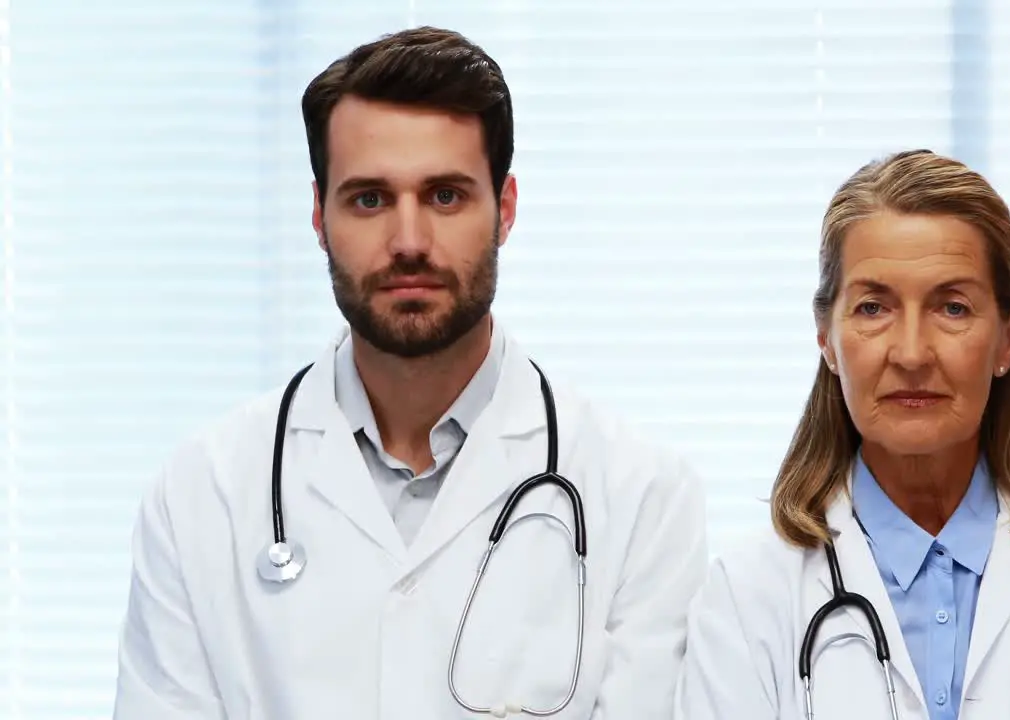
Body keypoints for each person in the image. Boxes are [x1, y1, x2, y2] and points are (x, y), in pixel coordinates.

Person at [112, 26, 708, 719]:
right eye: (369, 198)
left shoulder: (640, 498)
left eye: (446, 196)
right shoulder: (201, 497)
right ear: (318, 215)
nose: (409, 242)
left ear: (505, 209)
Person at [675, 150, 1010, 720]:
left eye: (952, 308)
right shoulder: (746, 600)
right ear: (826, 337)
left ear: (1008, 336)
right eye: (873, 307)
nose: (910, 353)